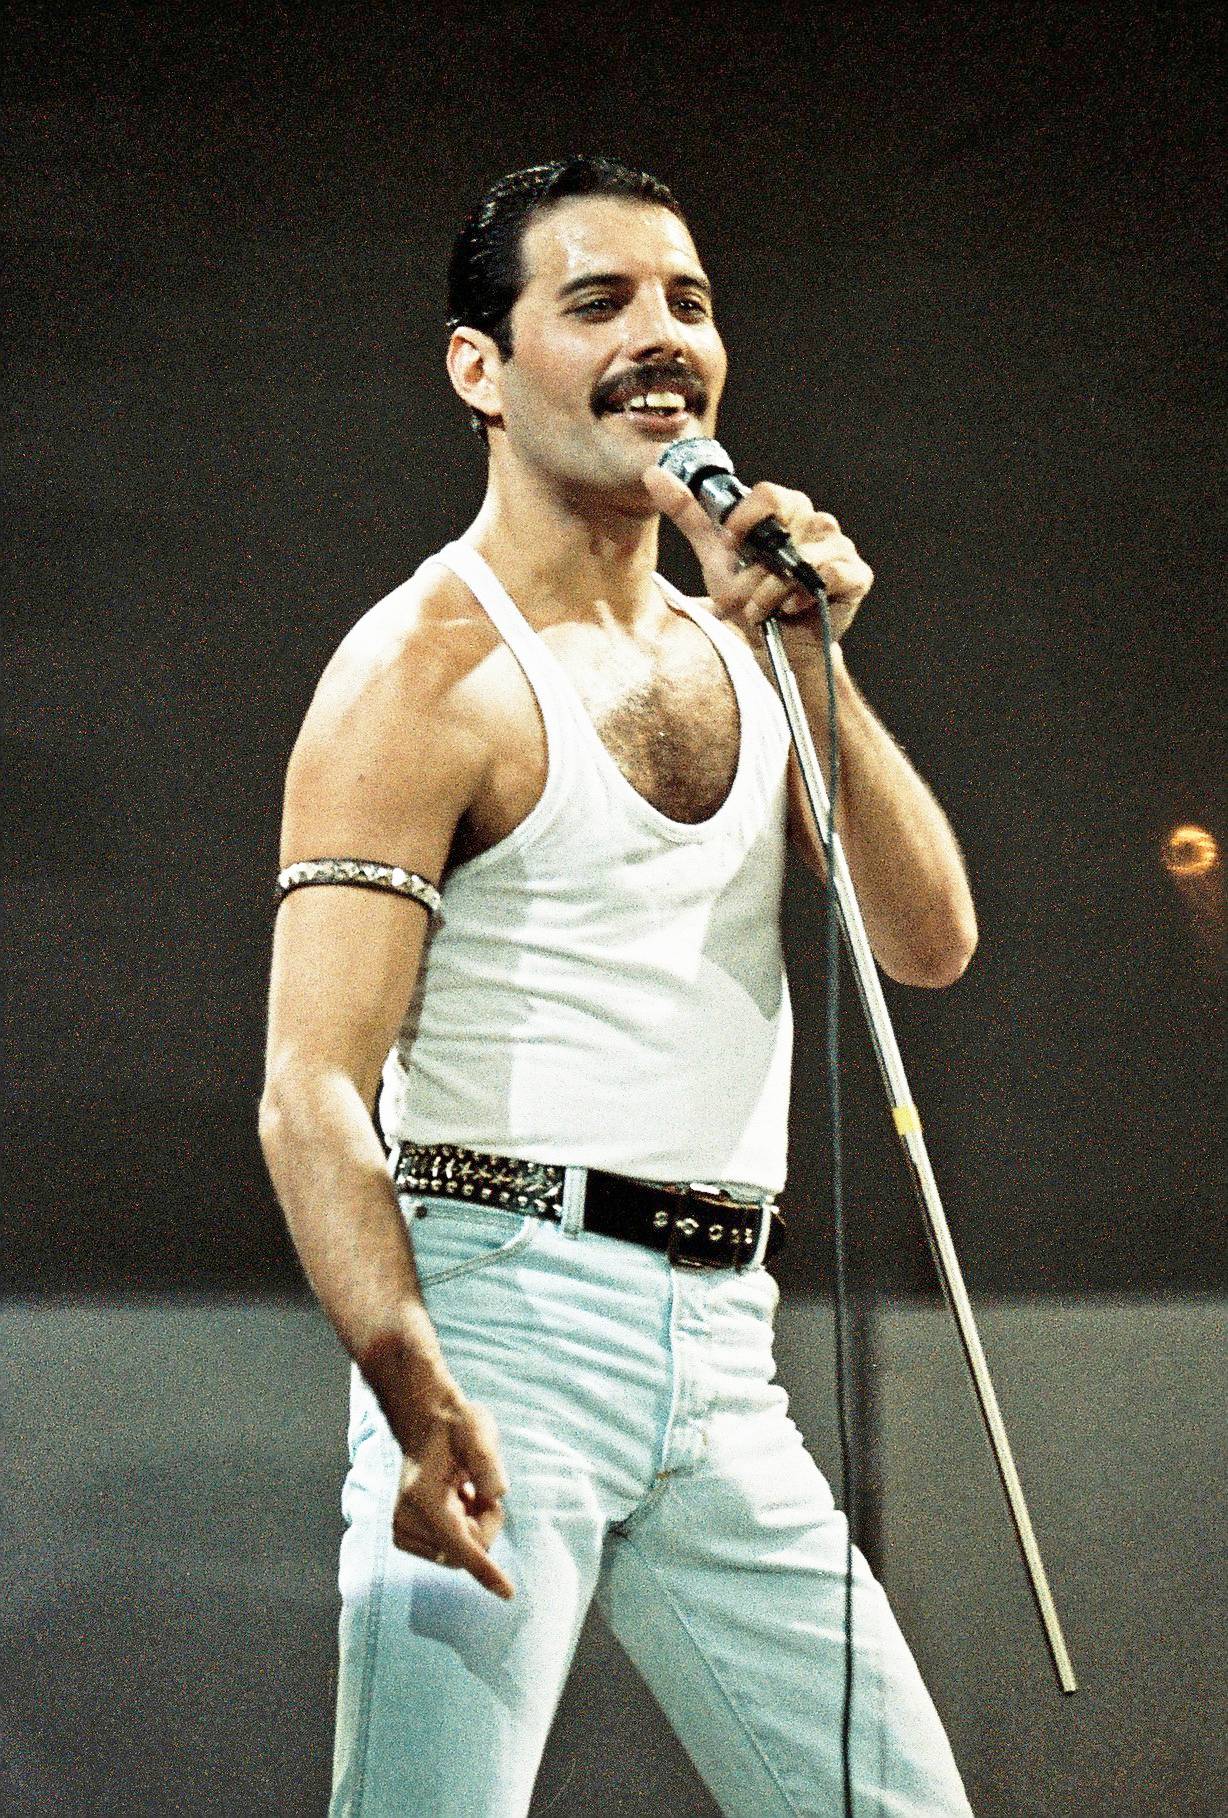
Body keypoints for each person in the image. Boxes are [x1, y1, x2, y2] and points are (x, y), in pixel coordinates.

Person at [259, 155, 979, 1818]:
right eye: (597, 303)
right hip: (503, 1320)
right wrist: (410, 1377)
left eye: (689, 302)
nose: (662, 337)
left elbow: (926, 941)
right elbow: (310, 1086)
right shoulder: (420, 671)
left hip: (727, 1351)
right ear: (479, 369)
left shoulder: (745, 642)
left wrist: (816, 658)